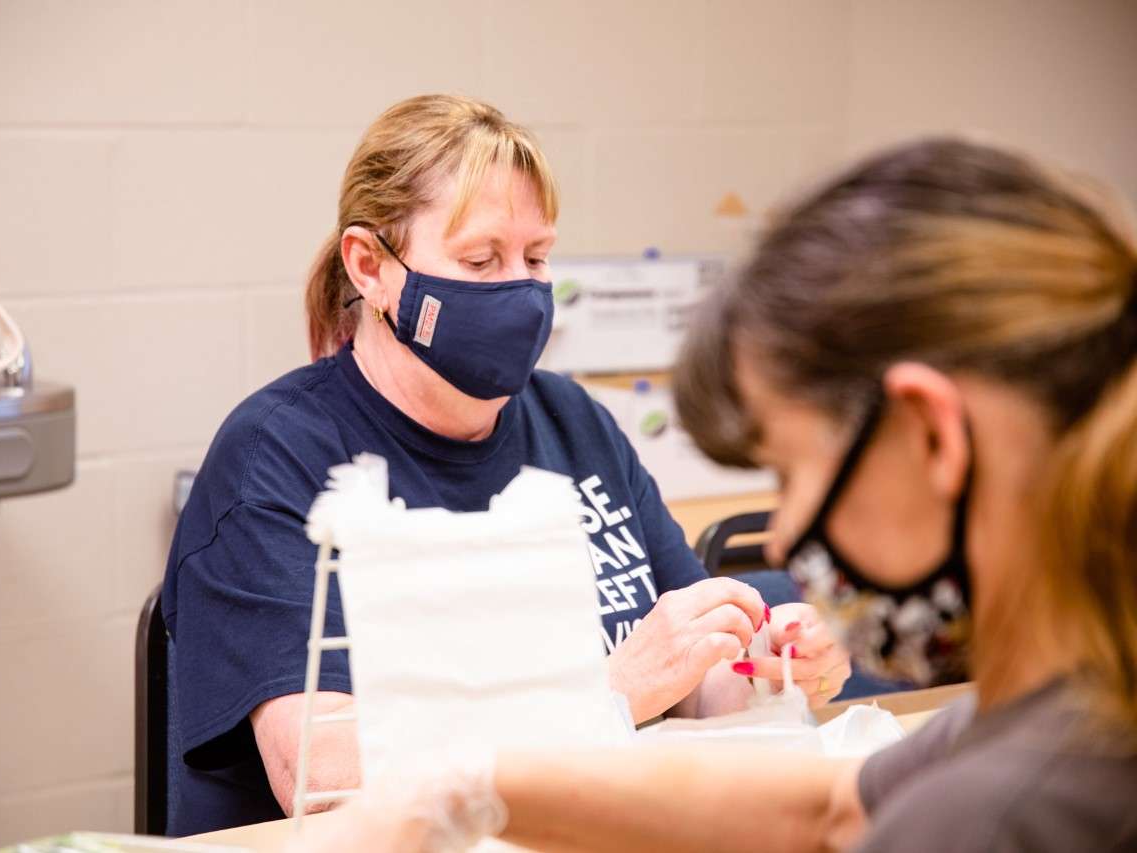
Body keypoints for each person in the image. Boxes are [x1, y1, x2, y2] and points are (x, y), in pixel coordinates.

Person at [298, 137, 1137, 851]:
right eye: (482, 259)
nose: (783, 540)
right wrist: (473, 779)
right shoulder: (1050, 712)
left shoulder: (998, 814)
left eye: (793, 470)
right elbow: (830, 806)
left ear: (934, 439)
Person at [160, 94, 850, 835]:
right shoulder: (279, 457)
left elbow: (687, 680)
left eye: (537, 256)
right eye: (480, 259)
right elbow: (319, 773)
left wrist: (768, 669)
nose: (521, 290)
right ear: (370, 267)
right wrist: (603, 693)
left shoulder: (572, 421)